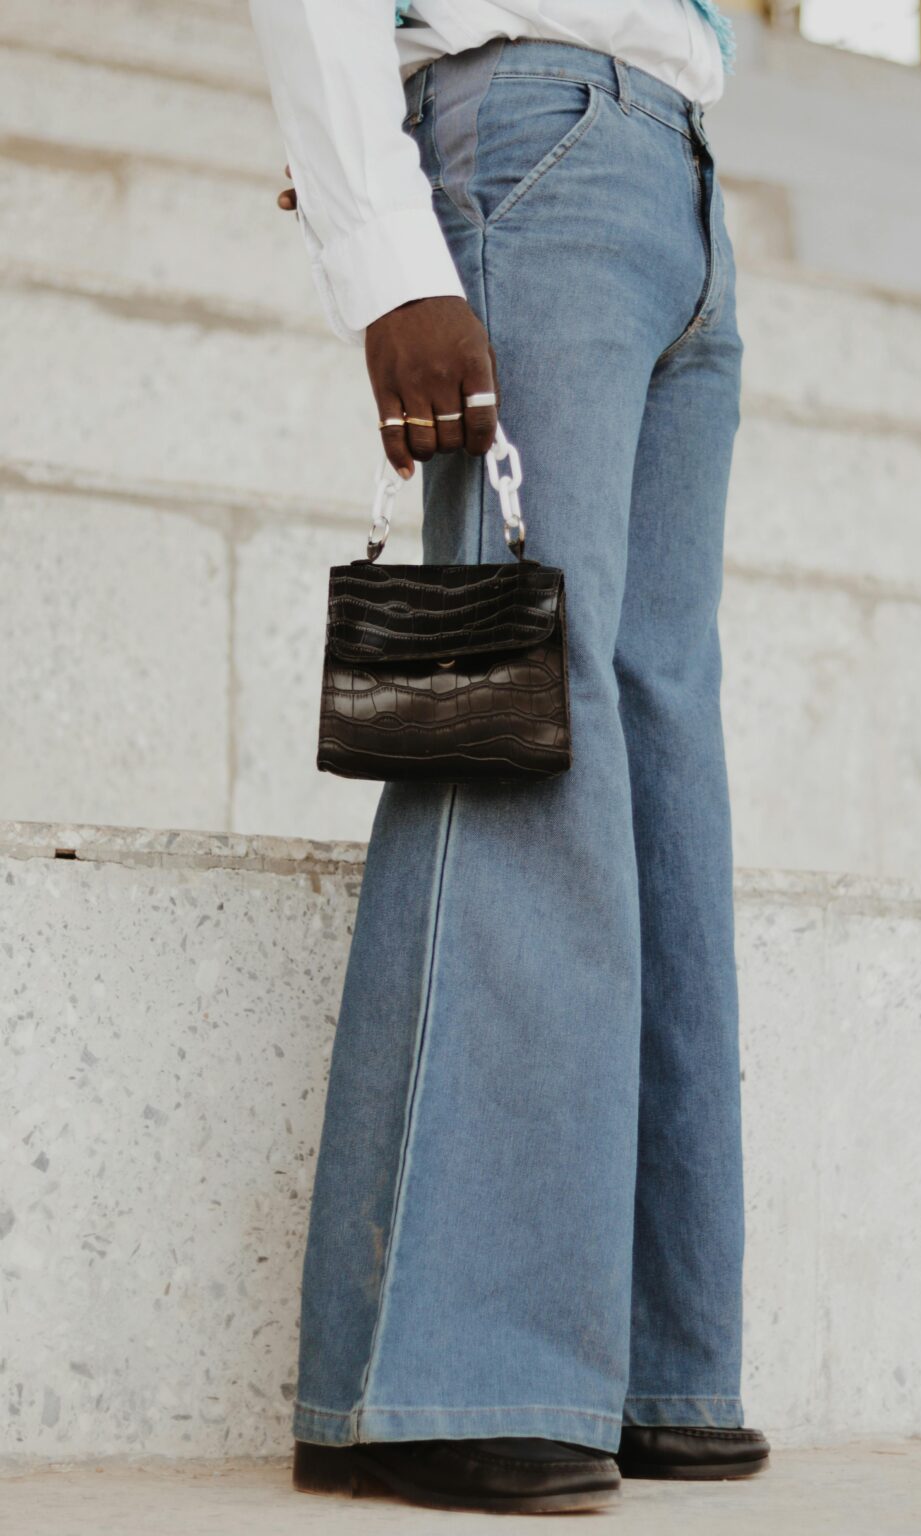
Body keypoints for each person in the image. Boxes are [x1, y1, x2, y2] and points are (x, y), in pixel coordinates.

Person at [248, 0, 768, 1514]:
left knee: (663, 732)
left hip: (673, 169)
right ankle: (447, 1372)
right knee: (519, 699)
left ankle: (654, 1355)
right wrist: (387, 247)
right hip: (535, 135)